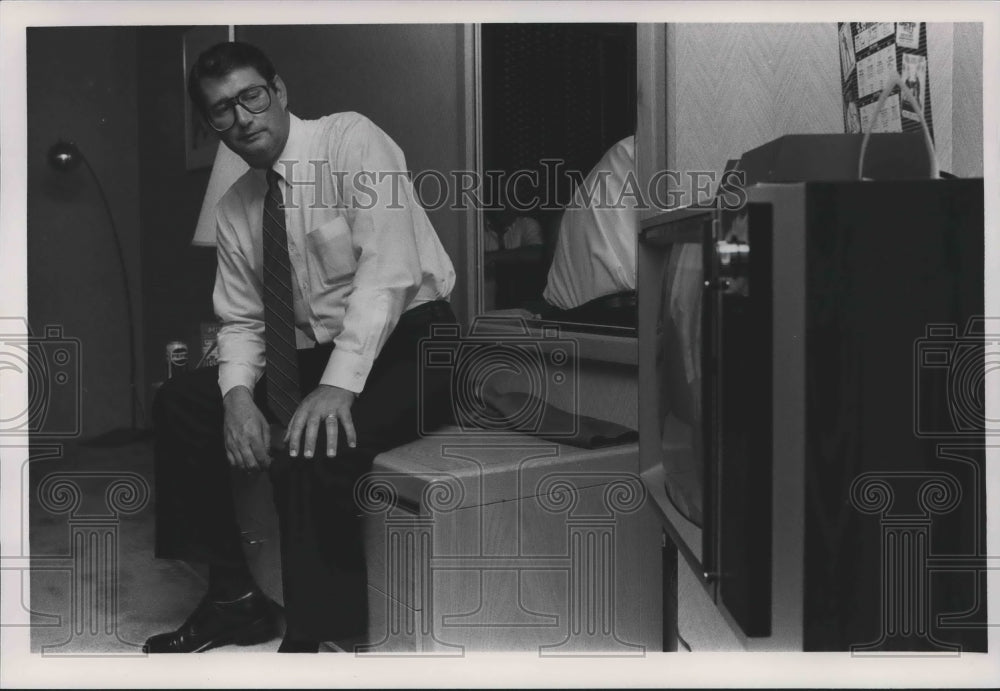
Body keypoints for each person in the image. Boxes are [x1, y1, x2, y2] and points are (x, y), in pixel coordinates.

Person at [144, 42, 456, 653]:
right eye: (220, 111)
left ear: (278, 91)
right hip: (316, 353)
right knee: (182, 401)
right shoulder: (237, 206)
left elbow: (388, 274)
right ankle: (234, 599)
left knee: (314, 441)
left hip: (415, 344)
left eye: (251, 97)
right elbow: (241, 319)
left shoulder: (351, 141)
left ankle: (323, 643)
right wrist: (236, 398)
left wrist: (337, 386)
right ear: (211, 125)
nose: (241, 119)